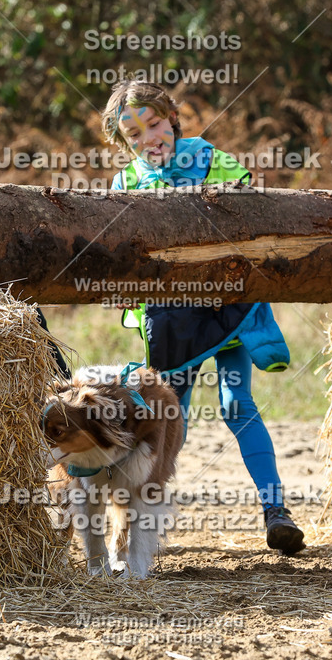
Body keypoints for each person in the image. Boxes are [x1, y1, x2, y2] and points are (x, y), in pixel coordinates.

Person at [101, 80, 305, 555]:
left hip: (226, 307)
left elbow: (250, 206)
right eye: (135, 135)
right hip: (172, 320)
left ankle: (276, 510)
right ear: (123, 143)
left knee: (237, 405)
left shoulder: (207, 157)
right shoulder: (125, 183)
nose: (149, 138)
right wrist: (119, 287)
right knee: (171, 416)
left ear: (171, 118)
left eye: (154, 124)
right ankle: (140, 523)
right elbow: (120, 251)